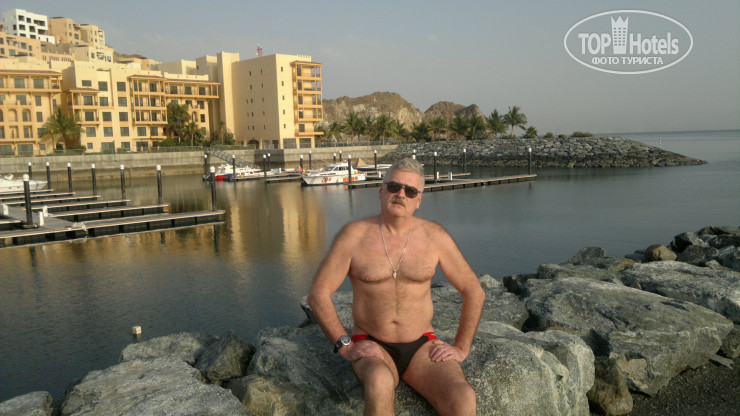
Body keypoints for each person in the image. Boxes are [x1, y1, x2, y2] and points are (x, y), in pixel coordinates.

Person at [307, 157, 485, 415]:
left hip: (422, 345)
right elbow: (318, 295)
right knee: (379, 382)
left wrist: (461, 348)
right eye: (394, 187)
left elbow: (474, 291)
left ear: (418, 200)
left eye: (410, 191)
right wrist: (345, 345)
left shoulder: (434, 237)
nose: (401, 194)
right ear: (381, 191)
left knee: (463, 397)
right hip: (371, 343)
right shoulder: (353, 236)